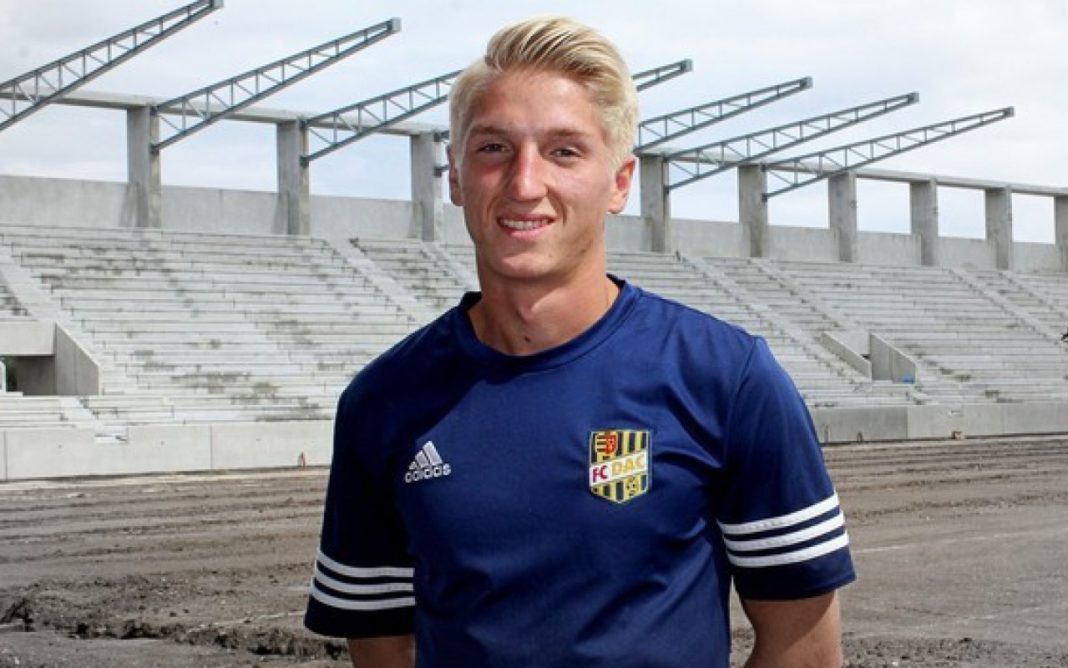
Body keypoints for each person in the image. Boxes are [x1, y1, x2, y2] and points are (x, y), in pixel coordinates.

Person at [304, 16, 855, 667]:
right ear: (454, 175)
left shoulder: (728, 379)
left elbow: (804, 647)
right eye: (493, 148)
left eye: (563, 151)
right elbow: (377, 645)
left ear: (619, 181)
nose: (524, 183)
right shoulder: (383, 401)